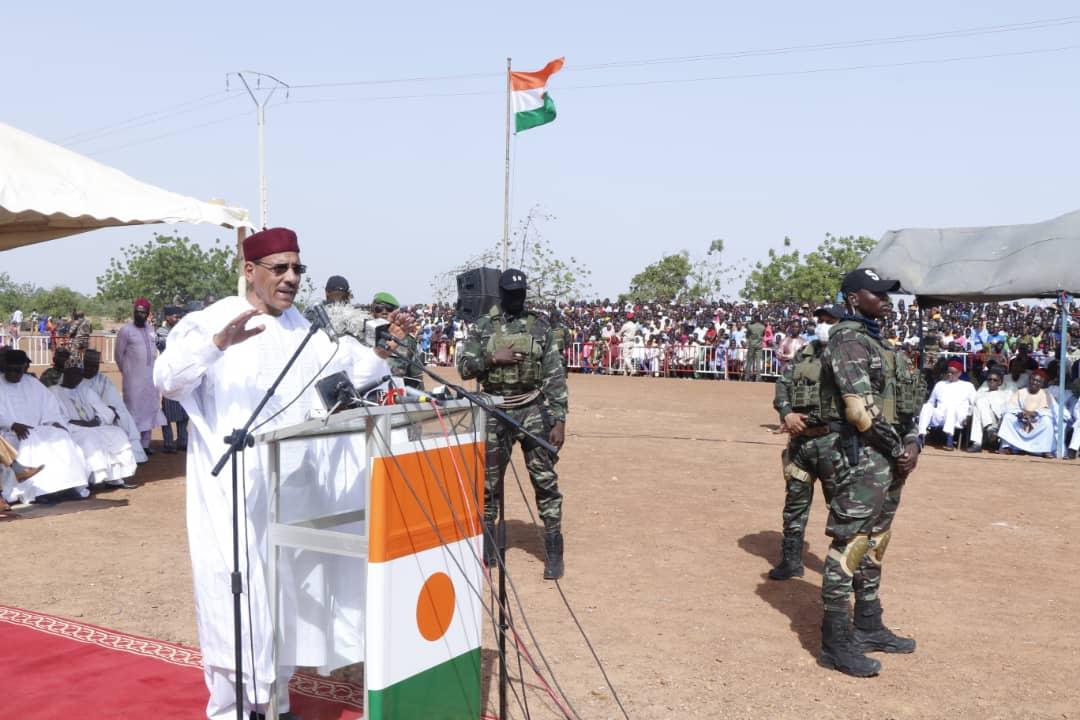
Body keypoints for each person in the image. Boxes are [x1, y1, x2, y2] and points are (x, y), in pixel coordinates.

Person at [154, 227, 401, 720]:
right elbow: (167, 379)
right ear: (250, 271)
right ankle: (230, 710)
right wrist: (217, 345)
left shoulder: (303, 332)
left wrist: (379, 354)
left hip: (292, 492)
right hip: (233, 492)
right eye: (279, 268)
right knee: (233, 599)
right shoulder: (212, 321)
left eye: (297, 269)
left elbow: (348, 369)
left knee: (283, 598)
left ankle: (278, 702)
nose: (290, 279)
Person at [818, 268, 920, 678]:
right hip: (863, 457)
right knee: (851, 543)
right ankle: (835, 641)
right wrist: (899, 448)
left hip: (890, 459)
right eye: (877, 293)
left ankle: (868, 624)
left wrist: (913, 442)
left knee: (877, 541)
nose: (886, 300)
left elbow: (905, 402)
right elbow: (859, 409)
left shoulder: (880, 343)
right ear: (854, 299)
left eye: (888, 294)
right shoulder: (847, 341)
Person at [457, 268, 569, 580]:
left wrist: (559, 419)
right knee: (488, 484)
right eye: (511, 294)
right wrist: (493, 360)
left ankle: (553, 550)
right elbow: (464, 368)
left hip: (532, 408)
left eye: (521, 294)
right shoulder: (482, 327)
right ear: (501, 294)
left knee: (544, 481)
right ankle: (489, 548)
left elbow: (555, 375)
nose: (517, 299)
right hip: (494, 409)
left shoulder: (540, 328)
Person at [768, 305, 843, 580]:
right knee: (795, 504)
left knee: (841, 508)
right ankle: (791, 560)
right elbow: (783, 385)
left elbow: (852, 399)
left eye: (830, 320)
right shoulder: (805, 352)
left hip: (833, 443)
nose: (824, 325)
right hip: (800, 444)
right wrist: (787, 413)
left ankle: (843, 567)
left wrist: (805, 420)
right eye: (821, 320)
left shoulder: (850, 353)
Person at [0, 350, 91, 505]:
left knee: (61, 439)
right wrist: (12, 424)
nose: (14, 374)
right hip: (8, 434)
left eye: (18, 370)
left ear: (25, 368)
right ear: (4, 367)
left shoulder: (32, 383)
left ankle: (66, 486)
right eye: (10, 370)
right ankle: (39, 491)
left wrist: (53, 422)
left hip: (37, 429)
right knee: (32, 444)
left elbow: (50, 406)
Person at [50, 364, 138, 489]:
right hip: (72, 428)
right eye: (73, 375)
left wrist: (97, 420)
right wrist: (81, 424)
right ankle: (87, 481)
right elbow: (55, 416)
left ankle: (115, 478)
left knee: (116, 433)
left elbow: (102, 408)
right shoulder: (54, 391)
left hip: (93, 425)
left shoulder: (85, 390)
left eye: (79, 376)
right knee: (89, 438)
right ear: (65, 374)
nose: (76, 379)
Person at [116, 298, 166, 455]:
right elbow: (118, 354)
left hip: (150, 378)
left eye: (143, 312)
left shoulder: (151, 329)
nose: (140, 315)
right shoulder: (126, 330)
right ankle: (134, 444)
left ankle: (145, 445)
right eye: (137, 312)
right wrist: (127, 371)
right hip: (133, 379)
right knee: (134, 410)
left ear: (147, 314)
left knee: (149, 408)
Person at [81, 349, 148, 463]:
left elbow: (112, 401)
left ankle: (133, 457)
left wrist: (107, 412)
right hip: (83, 413)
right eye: (89, 365)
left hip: (105, 412)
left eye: (95, 366)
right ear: (84, 364)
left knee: (123, 417)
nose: (92, 369)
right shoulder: (77, 378)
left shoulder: (103, 380)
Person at [916, 360, 976, 450]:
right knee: (926, 406)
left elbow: (974, 404)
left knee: (951, 407)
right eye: (948, 372)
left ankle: (950, 439)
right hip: (940, 415)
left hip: (958, 416)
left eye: (953, 373)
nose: (949, 374)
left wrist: (969, 416)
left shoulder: (968, 386)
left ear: (959, 373)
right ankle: (921, 435)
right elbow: (931, 401)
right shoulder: (940, 384)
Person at [997, 368, 1057, 457]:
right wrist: (1020, 413)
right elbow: (1010, 407)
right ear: (1029, 380)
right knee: (1008, 417)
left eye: (1038, 381)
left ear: (1042, 383)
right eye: (1033, 380)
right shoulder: (1020, 392)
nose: (1035, 383)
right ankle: (1007, 447)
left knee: (1047, 420)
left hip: (1036, 421)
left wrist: (1035, 413)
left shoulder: (1045, 394)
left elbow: (1048, 411)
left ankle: (1045, 449)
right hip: (1021, 420)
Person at [155, 307, 189, 453]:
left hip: (182, 375)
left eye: (180, 317)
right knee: (168, 413)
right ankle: (168, 443)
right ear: (167, 317)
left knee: (184, 413)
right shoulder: (160, 333)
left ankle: (183, 442)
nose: (179, 319)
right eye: (176, 317)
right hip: (168, 375)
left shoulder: (183, 331)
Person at [967, 366, 1009, 453]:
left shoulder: (1004, 395)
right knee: (977, 408)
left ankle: (977, 442)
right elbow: (972, 408)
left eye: (995, 380)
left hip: (997, 422)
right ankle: (986, 432)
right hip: (984, 421)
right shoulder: (981, 393)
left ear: (1000, 382)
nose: (991, 382)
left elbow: (1005, 412)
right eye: (989, 379)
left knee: (980, 403)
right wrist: (968, 416)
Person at [744, 316, 765, 381]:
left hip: (752, 345)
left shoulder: (751, 326)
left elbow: (746, 326)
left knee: (749, 361)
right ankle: (758, 377)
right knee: (758, 362)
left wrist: (750, 322)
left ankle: (747, 376)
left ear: (755, 319)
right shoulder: (763, 327)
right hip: (759, 345)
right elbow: (763, 334)